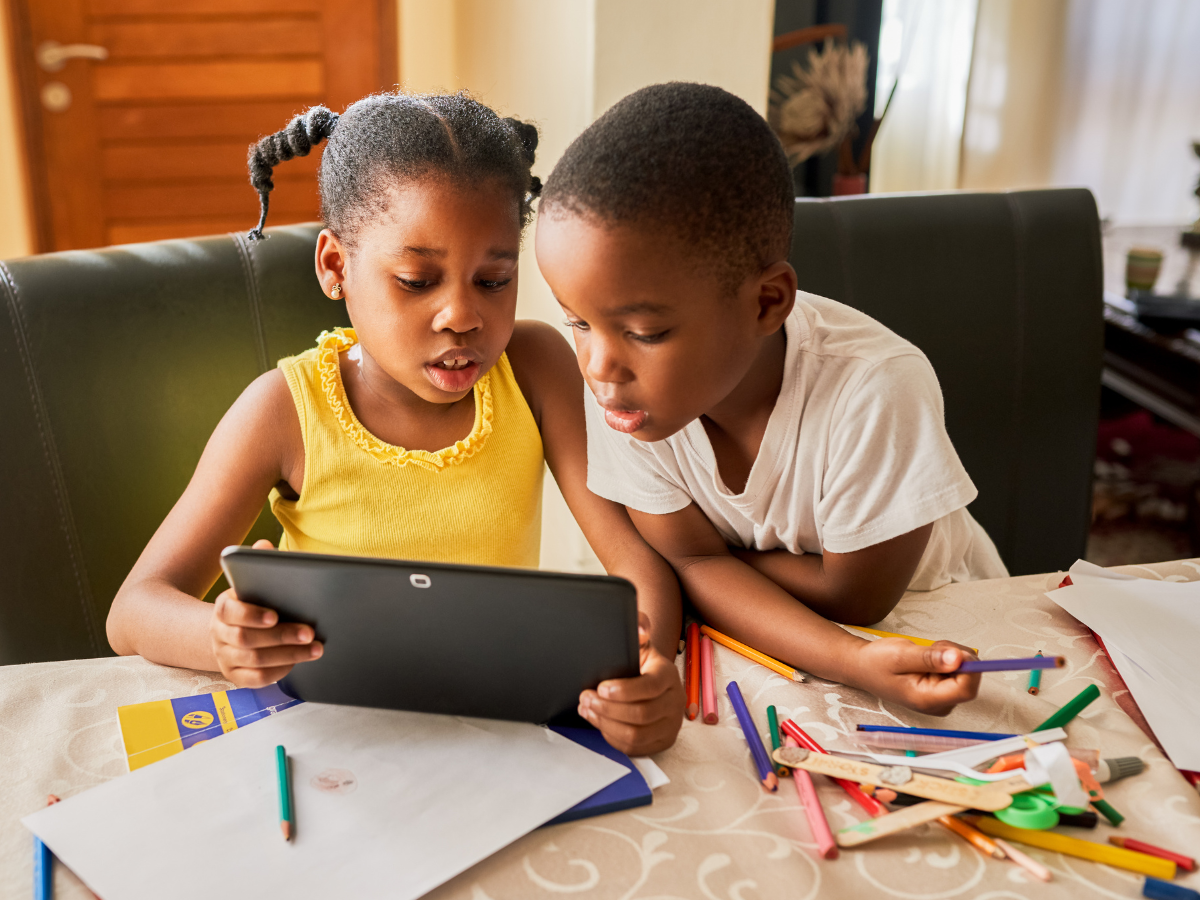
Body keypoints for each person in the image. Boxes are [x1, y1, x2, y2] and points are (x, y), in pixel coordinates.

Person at [106, 92, 683, 754]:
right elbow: (136, 609)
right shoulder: (283, 411)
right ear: (335, 267)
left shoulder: (534, 368)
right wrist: (222, 637)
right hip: (329, 737)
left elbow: (634, 560)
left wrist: (646, 673)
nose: (461, 315)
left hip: (490, 729)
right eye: (416, 280)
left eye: (493, 280)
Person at [535, 83, 1008, 716]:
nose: (598, 367)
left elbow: (850, 599)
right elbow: (688, 558)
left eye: (645, 333)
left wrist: (709, 564)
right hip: (791, 645)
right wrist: (696, 565)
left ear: (767, 302)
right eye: (578, 323)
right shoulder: (631, 393)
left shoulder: (874, 387)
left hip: (938, 636)